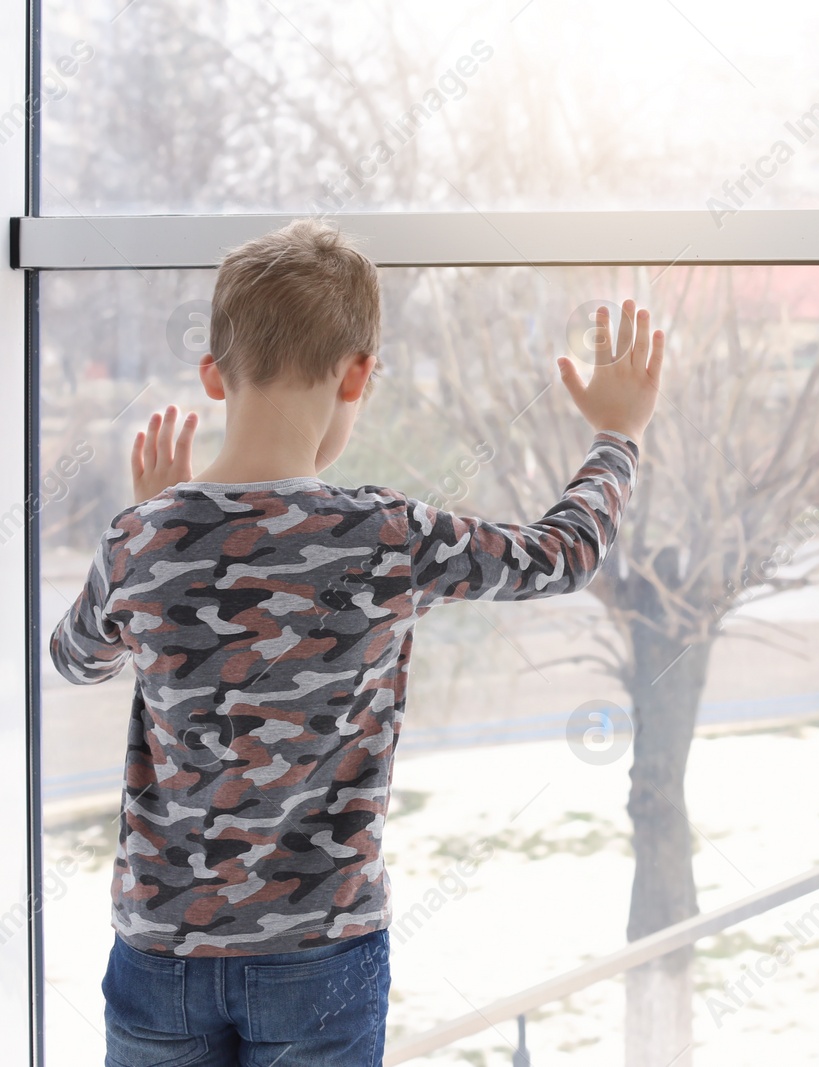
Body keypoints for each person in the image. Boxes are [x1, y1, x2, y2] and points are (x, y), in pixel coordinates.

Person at [49, 219, 663, 1066]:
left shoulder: (140, 538)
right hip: (320, 954)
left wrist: (161, 520)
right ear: (358, 373)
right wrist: (617, 437)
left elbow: (78, 656)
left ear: (212, 376)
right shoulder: (387, 535)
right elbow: (561, 557)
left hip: (162, 954)